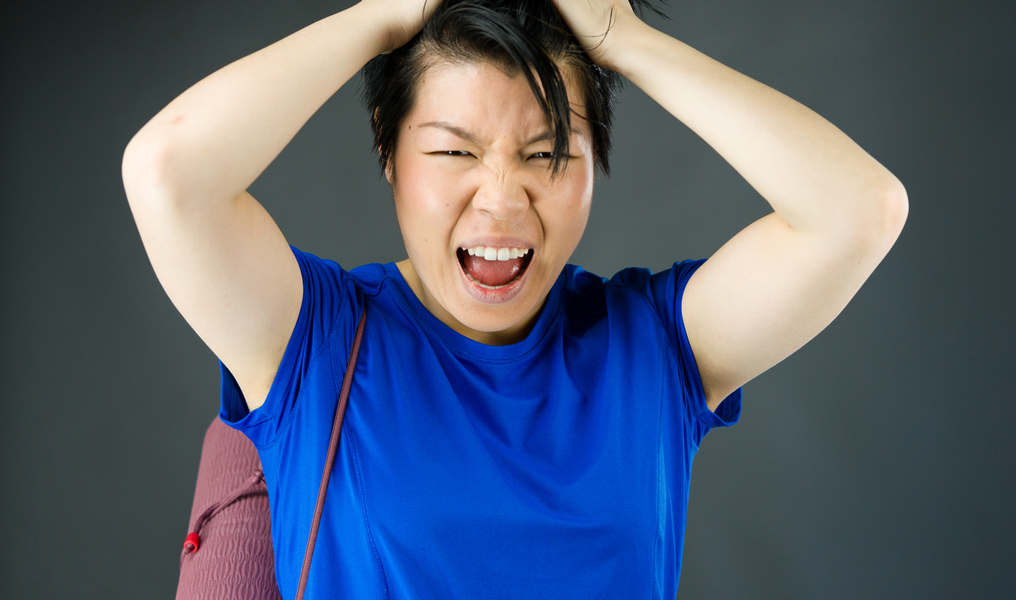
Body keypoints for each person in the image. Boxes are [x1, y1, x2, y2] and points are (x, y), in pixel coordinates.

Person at [122, 0, 908, 597]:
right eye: (453, 150)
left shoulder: (656, 347)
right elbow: (168, 175)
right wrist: (377, 18)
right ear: (389, 151)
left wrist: (623, 38)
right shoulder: (314, 340)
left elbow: (859, 210)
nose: (501, 200)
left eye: (549, 152)